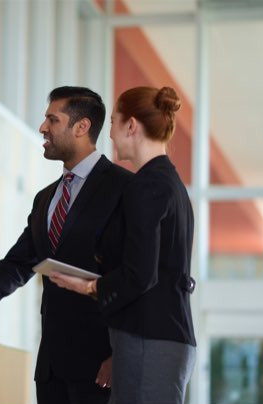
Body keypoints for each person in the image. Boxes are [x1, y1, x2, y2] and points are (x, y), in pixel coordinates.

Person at [0, 86, 133, 404]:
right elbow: (22, 260)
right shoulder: (45, 198)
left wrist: (118, 354)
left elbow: (133, 275)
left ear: (81, 127)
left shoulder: (123, 189)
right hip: (52, 369)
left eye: (52, 120)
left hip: (101, 367)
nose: (43, 128)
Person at [49, 86, 197, 404]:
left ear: (131, 126)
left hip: (149, 339)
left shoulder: (146, 186)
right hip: (161, 337)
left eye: (114, 122)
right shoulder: (171, 184)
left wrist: (88, 286)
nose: (111, 134)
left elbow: (140, 274)